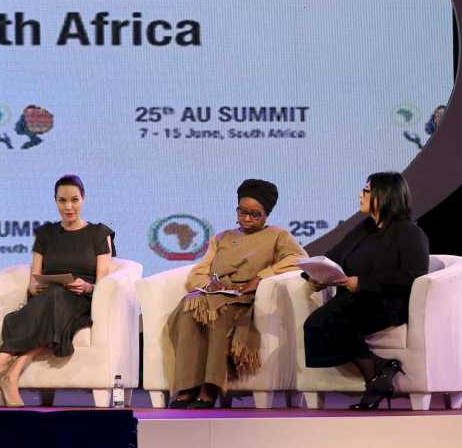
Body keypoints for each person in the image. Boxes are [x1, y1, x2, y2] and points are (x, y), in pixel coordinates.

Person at [0, 175, 114, 407]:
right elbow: (33, 279)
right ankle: (11, 377)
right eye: (62, 200)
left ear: (83, 199)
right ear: (55, 201)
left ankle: (5, 358)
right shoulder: (45, 234)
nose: (68, 207)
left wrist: (87, 286)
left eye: (74, 200)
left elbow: (103, 282)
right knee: (53, 300)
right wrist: (35, 285)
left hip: (81, 301)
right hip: (49, 299)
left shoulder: (99, 233)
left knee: (55, 301)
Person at [167, 179, 303, 408]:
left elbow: (297, 258)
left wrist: (261, 277)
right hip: (216, 293)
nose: (247, 218)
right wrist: (208, 285)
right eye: (242, 212)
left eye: (255, 214)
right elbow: (198, 272)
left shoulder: (278, 236)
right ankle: (188, 386)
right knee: (188, 311)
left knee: (220, 315)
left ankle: (210, 387)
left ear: (266, 215)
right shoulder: (221, 238)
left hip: (244, 299)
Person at [303, 171, 429, 410]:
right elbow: (333, 256)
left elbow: (412, 275)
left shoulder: (409, 232)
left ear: (384, 195)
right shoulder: (364, 229)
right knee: (317, 325)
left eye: (366, 191)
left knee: (323, 322)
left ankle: (377, 374)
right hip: (354, 300)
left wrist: (363, 283)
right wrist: (317, 276)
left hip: (386, 302)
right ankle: (379, 372)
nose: (360, 195)